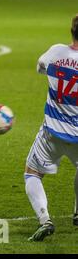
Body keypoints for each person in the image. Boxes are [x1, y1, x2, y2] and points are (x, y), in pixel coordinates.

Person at [25, 14, 78, 242]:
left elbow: (40, 67)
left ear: (71, 31)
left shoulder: (56, 52)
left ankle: (45, 219)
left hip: (52, 132)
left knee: (32, 173)